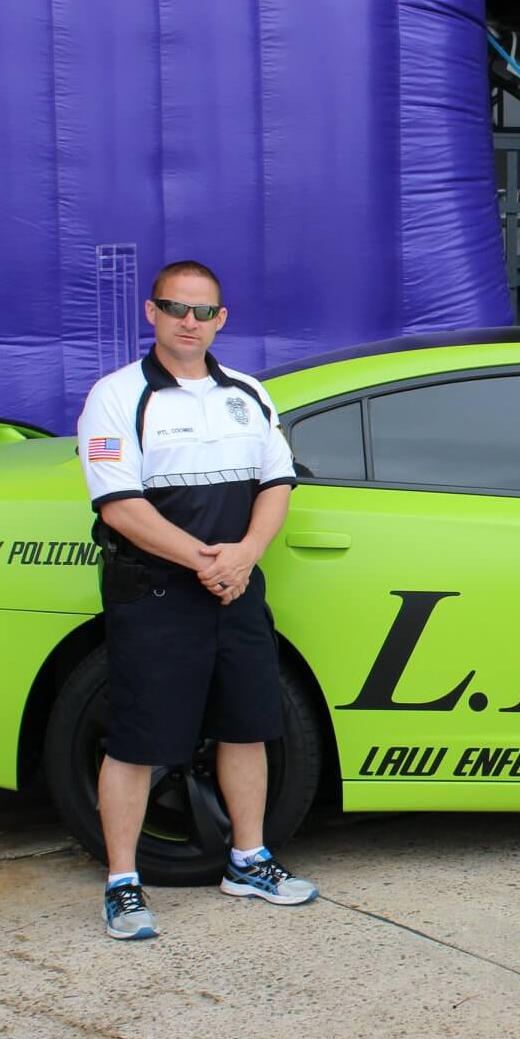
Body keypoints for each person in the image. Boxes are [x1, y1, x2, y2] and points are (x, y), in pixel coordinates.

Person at [76, 259, 316, 940]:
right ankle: (123, 883)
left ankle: (249, 859)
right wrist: (204, 561)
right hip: (154, 592)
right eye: (175, 308)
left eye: (203, 311)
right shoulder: (117, 396)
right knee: (136, 740)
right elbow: (120, 506)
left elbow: (277, 483)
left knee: (247, 724)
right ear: (150, 313)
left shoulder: (246, 392)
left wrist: (243, 557)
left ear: (221, 320)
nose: (189, 322)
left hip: (236, 587)